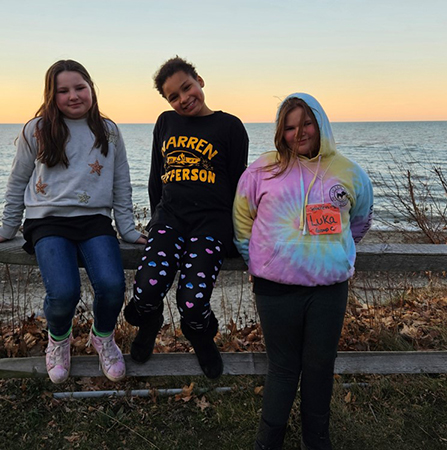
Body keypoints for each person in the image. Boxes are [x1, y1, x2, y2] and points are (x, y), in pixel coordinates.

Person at [0, 60, 145, 384]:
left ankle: (102, 337)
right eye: (63, 90)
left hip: (95, 220)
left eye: (79, 87)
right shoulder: (37, 129)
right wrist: (7, 228)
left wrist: (126, 228)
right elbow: (17, 181)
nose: (73, 96)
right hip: (47, 221)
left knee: (113, 286)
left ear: (91, 89)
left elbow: (121, 182)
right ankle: (58, 340)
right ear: (51, 94)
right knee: (63, 292)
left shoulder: (109, 131)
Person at [233, 93, 373, 449]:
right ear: (281, 131)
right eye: (290, 126)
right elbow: (242, 219)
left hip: (328, 289)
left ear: (320, 123)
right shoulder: (262, 169)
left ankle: (317, 439)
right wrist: (256, 261)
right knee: (282, 368)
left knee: (320, 365)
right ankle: (269, 442)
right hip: (274, 288)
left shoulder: (349, 172)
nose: (299, 133)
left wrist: (334, 253)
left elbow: (359, 221)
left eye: (306, 123)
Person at [123, 56, 249, 379]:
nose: (183, 99)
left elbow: (239, 186)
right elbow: (156, 179)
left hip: (211, 225)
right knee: (145, 290)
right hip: (170, 220)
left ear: (200, 81)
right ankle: (150, 323)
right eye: (173, 97)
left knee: (192, 302)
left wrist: (236, 236)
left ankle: (200, 335)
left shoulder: (230, 126)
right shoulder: (165, 123)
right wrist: (155, 222)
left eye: (187, 87)